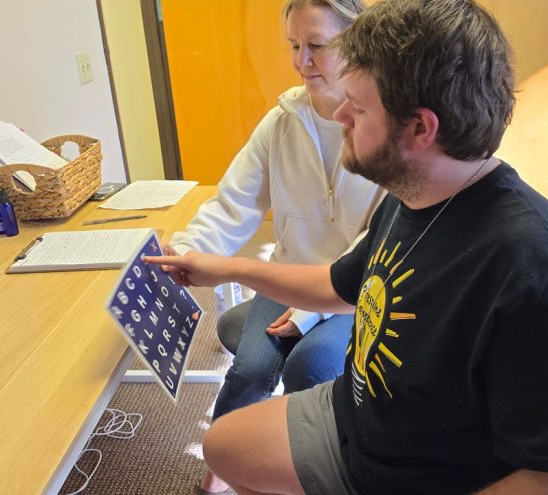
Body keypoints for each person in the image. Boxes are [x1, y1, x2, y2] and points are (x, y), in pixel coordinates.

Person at [146, 0, 548, 493]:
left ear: (421, 128)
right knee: (224, 445)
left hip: (422, 474)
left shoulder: (544, 279)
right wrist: (228, 268)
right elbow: (337, 286)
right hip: (363, 420)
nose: (340, 115)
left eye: (358, 108)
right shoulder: (415, 196)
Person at [167, 1, 382, 493]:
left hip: (351, 291)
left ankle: (314, 469)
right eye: (293, 45)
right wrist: (186, 250)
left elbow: (375, 247)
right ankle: (222, 463)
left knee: (313, 364)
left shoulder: (379, 126)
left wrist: (311, 312)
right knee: (251, 368)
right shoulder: (281, 122)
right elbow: (234, 204)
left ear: (357, 43)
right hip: (287, 276)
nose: (300, 61)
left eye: (316, 46)